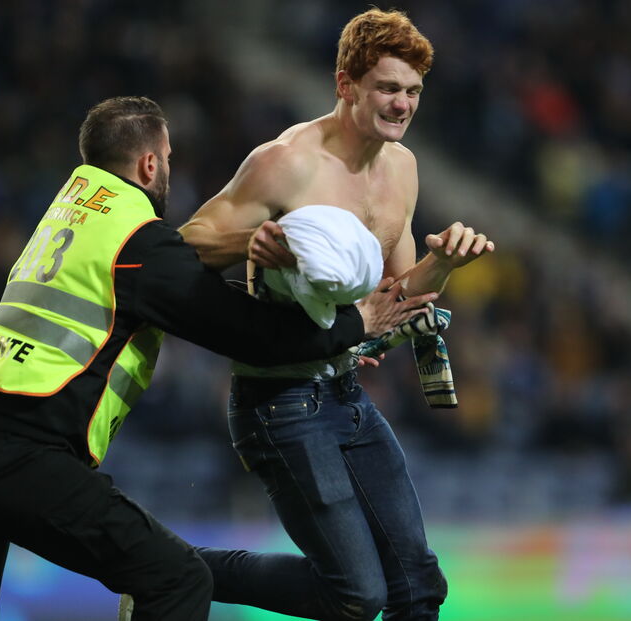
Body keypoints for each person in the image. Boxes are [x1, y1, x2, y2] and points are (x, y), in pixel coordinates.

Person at [0, 95, 437, 621]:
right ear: (150, 164)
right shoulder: (134, 241)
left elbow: (171, 266)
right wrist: (356, 324)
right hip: (21, 450)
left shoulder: (70, 214)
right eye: (168, 158)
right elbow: (251, 334)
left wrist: (256, 241)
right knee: (177, 580)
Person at [179, 8, 495, 621]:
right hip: (280, 402)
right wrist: (250, 242)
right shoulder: (288, 161)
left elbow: (394, 302)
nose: (401, 105)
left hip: (346, 394)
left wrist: (444, 264)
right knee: (356, 597)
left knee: (418, 587)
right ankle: (166, 571)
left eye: (412, 92)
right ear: (346, 84)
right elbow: (189, 241)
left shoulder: (402, 167)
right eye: (387, 88)